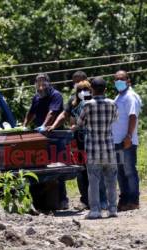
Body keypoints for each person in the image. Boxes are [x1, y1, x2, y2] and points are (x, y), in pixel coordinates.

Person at [49, 79, 108, 209]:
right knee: (81, 172)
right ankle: (85, 200)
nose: (83, 92)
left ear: (91, 90)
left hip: (93, 141)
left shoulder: (94, 102)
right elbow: (65, 115)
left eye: (86, 89)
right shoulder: (73, 102)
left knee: (96, 171)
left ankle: (101, 200)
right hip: (78, 142)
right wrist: (53, 126)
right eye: (80, 90)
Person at [23, 73, 68, 209]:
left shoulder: (56, 95)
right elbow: (31, 113)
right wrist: (24, 125)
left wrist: (43, 126)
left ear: (49, 83)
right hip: (40, 137)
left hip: (55, 136)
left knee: (58, 167)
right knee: (42, 167)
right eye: (38, 83)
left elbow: (52, 113)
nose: (41, 86)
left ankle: (62, 199)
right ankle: (44, 200)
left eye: (43, 83)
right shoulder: (36, 97)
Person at [77, 77, 118, 219]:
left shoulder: (87, 105)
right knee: (111, 180)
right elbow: (114, 119)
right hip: (109, 148)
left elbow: (80, 123)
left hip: (93, 149)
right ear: (105, 90)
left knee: (94, 180)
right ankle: (112, 209)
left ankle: (95, 210)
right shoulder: (113, 103)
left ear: (92, 90)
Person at [112, 70, 142, 211]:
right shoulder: (119, 96)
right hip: (117, 141)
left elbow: (132, 116)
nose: (119, 81)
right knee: (120, 172)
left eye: (121, 79)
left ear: (128, 81)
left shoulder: (130, 96)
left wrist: (129, 136)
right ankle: (124, 200)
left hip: (126, 141)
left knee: (129, 171)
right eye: (116, 79)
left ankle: (133, 200)